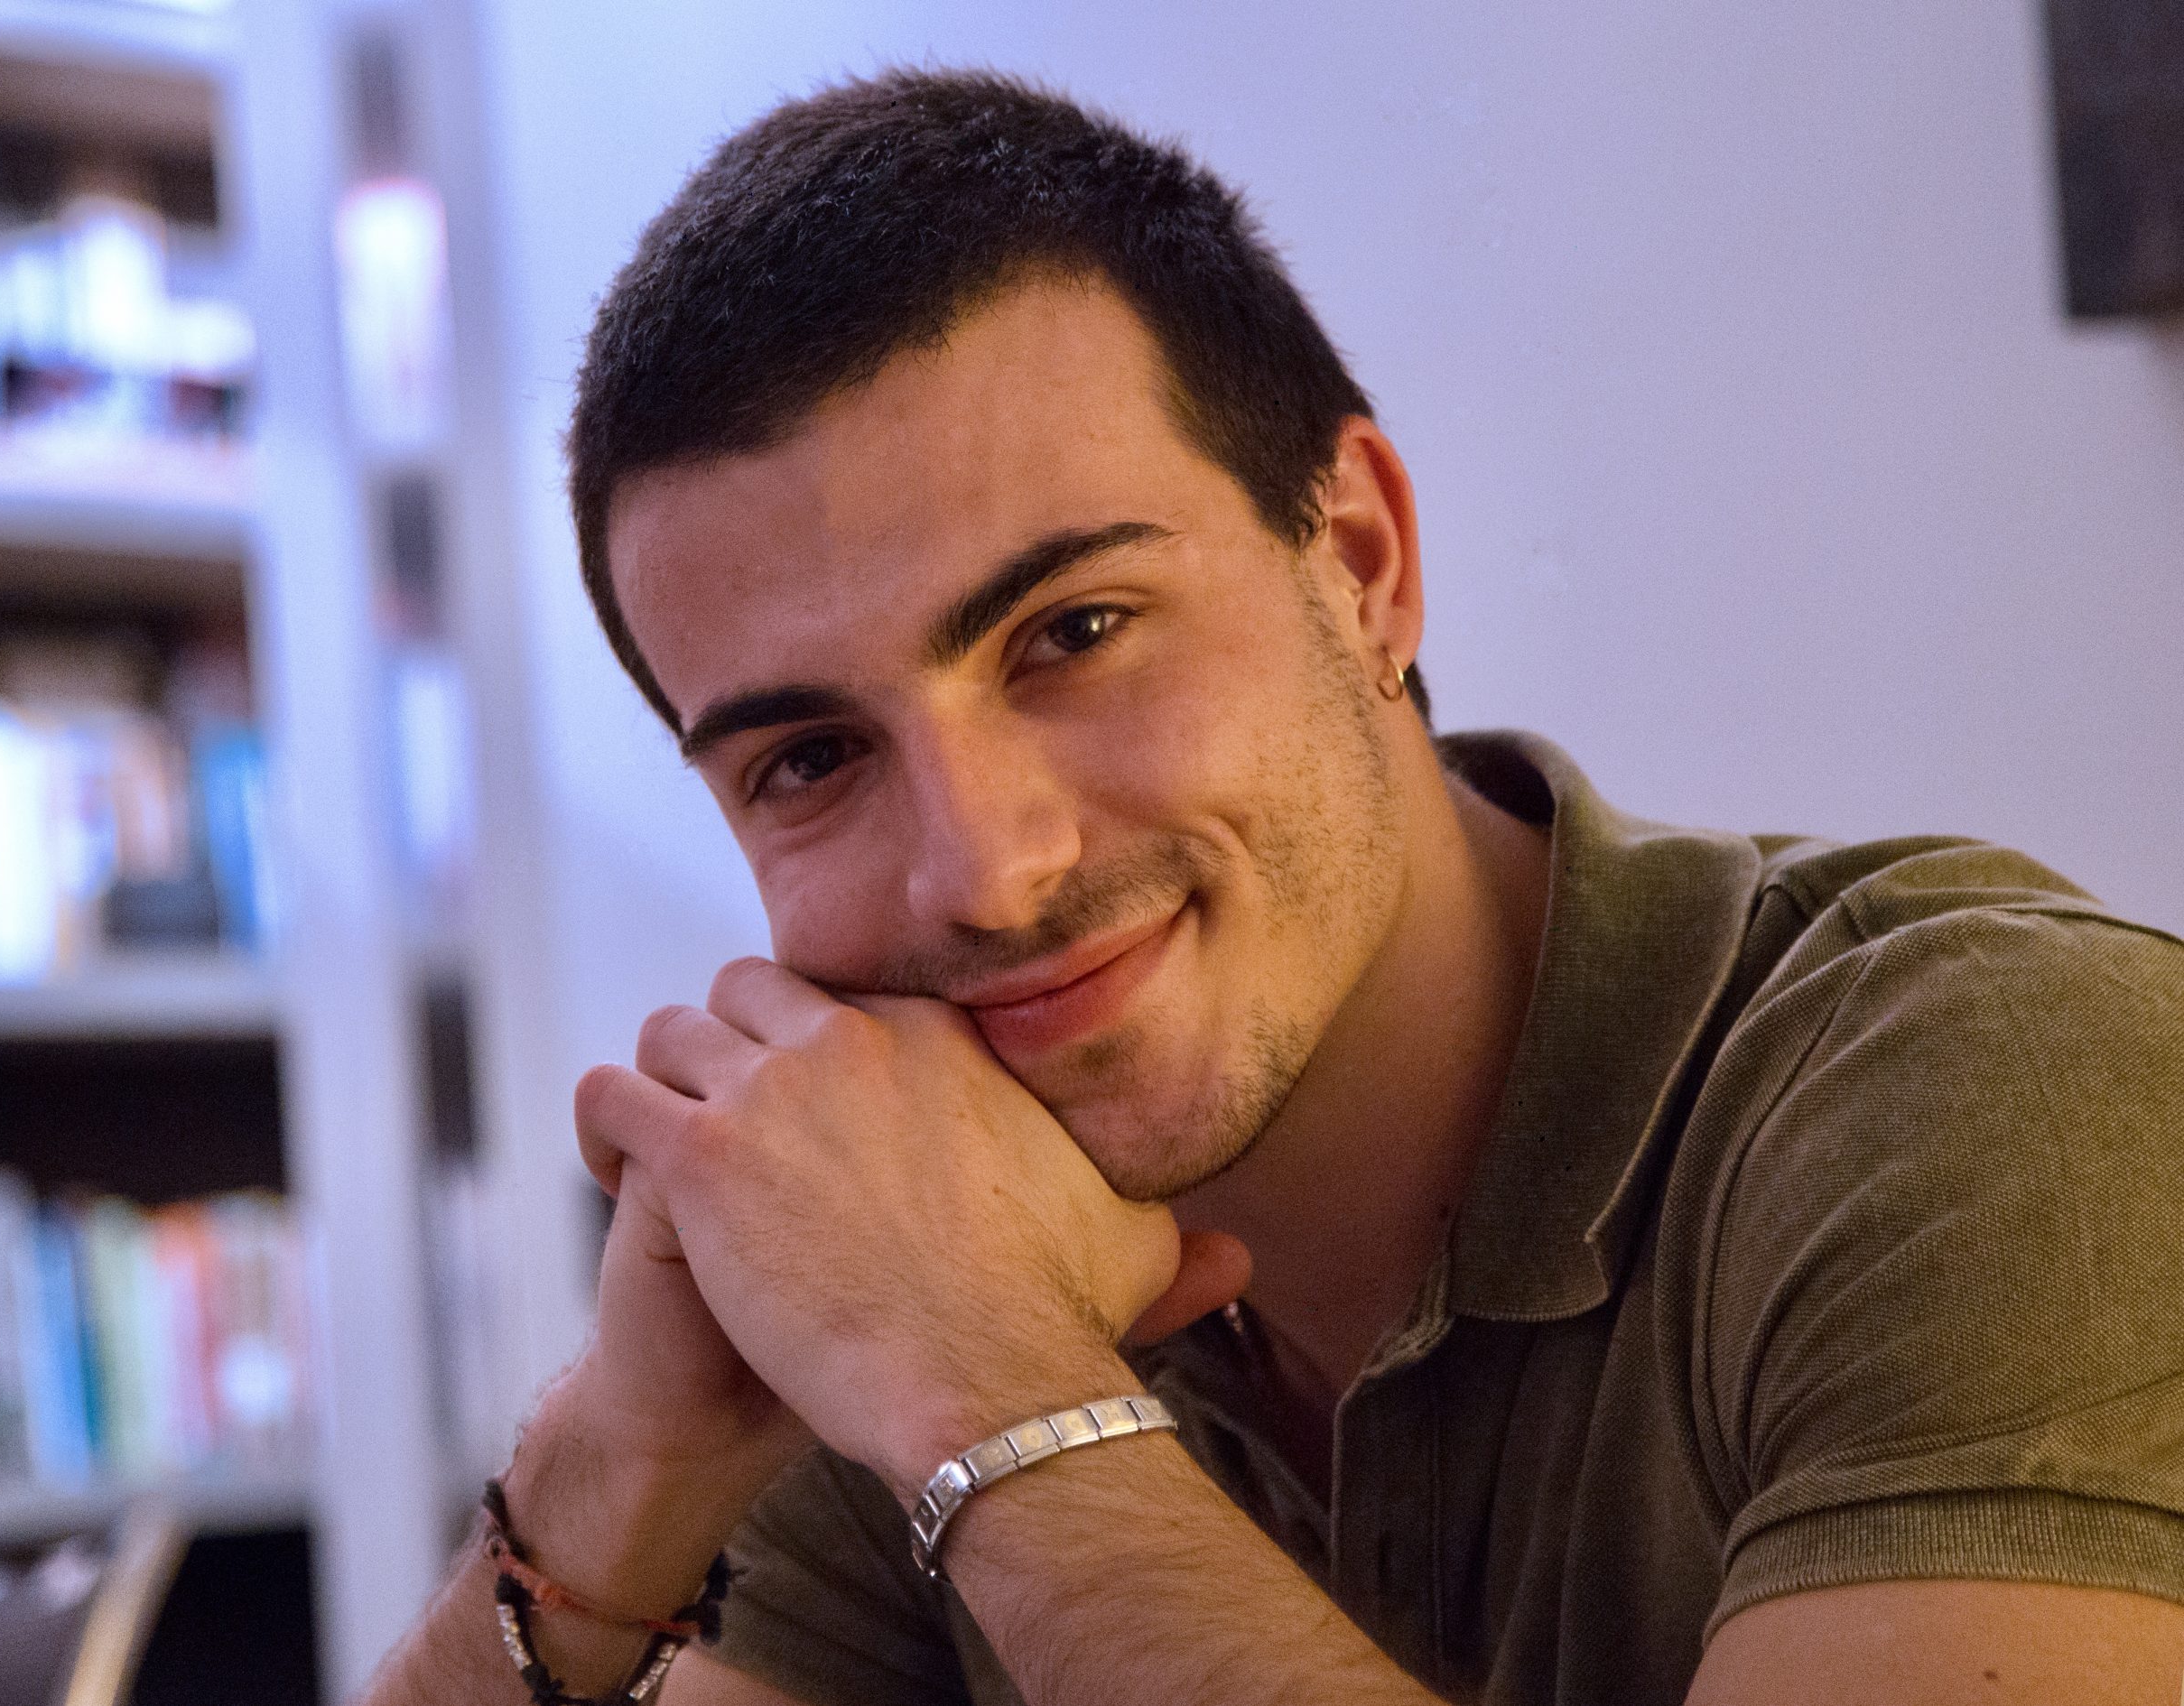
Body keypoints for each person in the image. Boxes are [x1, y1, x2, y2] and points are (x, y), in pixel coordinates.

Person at [364, 70, 2184, 1706]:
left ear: (1364, 563)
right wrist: (621, 1468)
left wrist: (986, 1392)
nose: (984, 871)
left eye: (1074, 631)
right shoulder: (916, 1224)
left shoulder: (2004, 1087)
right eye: (811, 758)